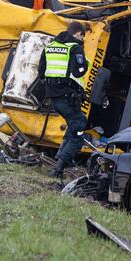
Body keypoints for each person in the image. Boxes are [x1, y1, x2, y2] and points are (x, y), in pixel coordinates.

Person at [38, 21, 89, 177]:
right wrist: (85, 64)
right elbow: (79, 71)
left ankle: (60, 157)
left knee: (72, 125)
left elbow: (41, 72)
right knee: (79, 127)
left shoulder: (50, 47)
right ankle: (59, 167)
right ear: (77, 34)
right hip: (67, 96)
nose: (83, 39)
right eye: (82, 36)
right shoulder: (75, 47)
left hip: (53, 97)